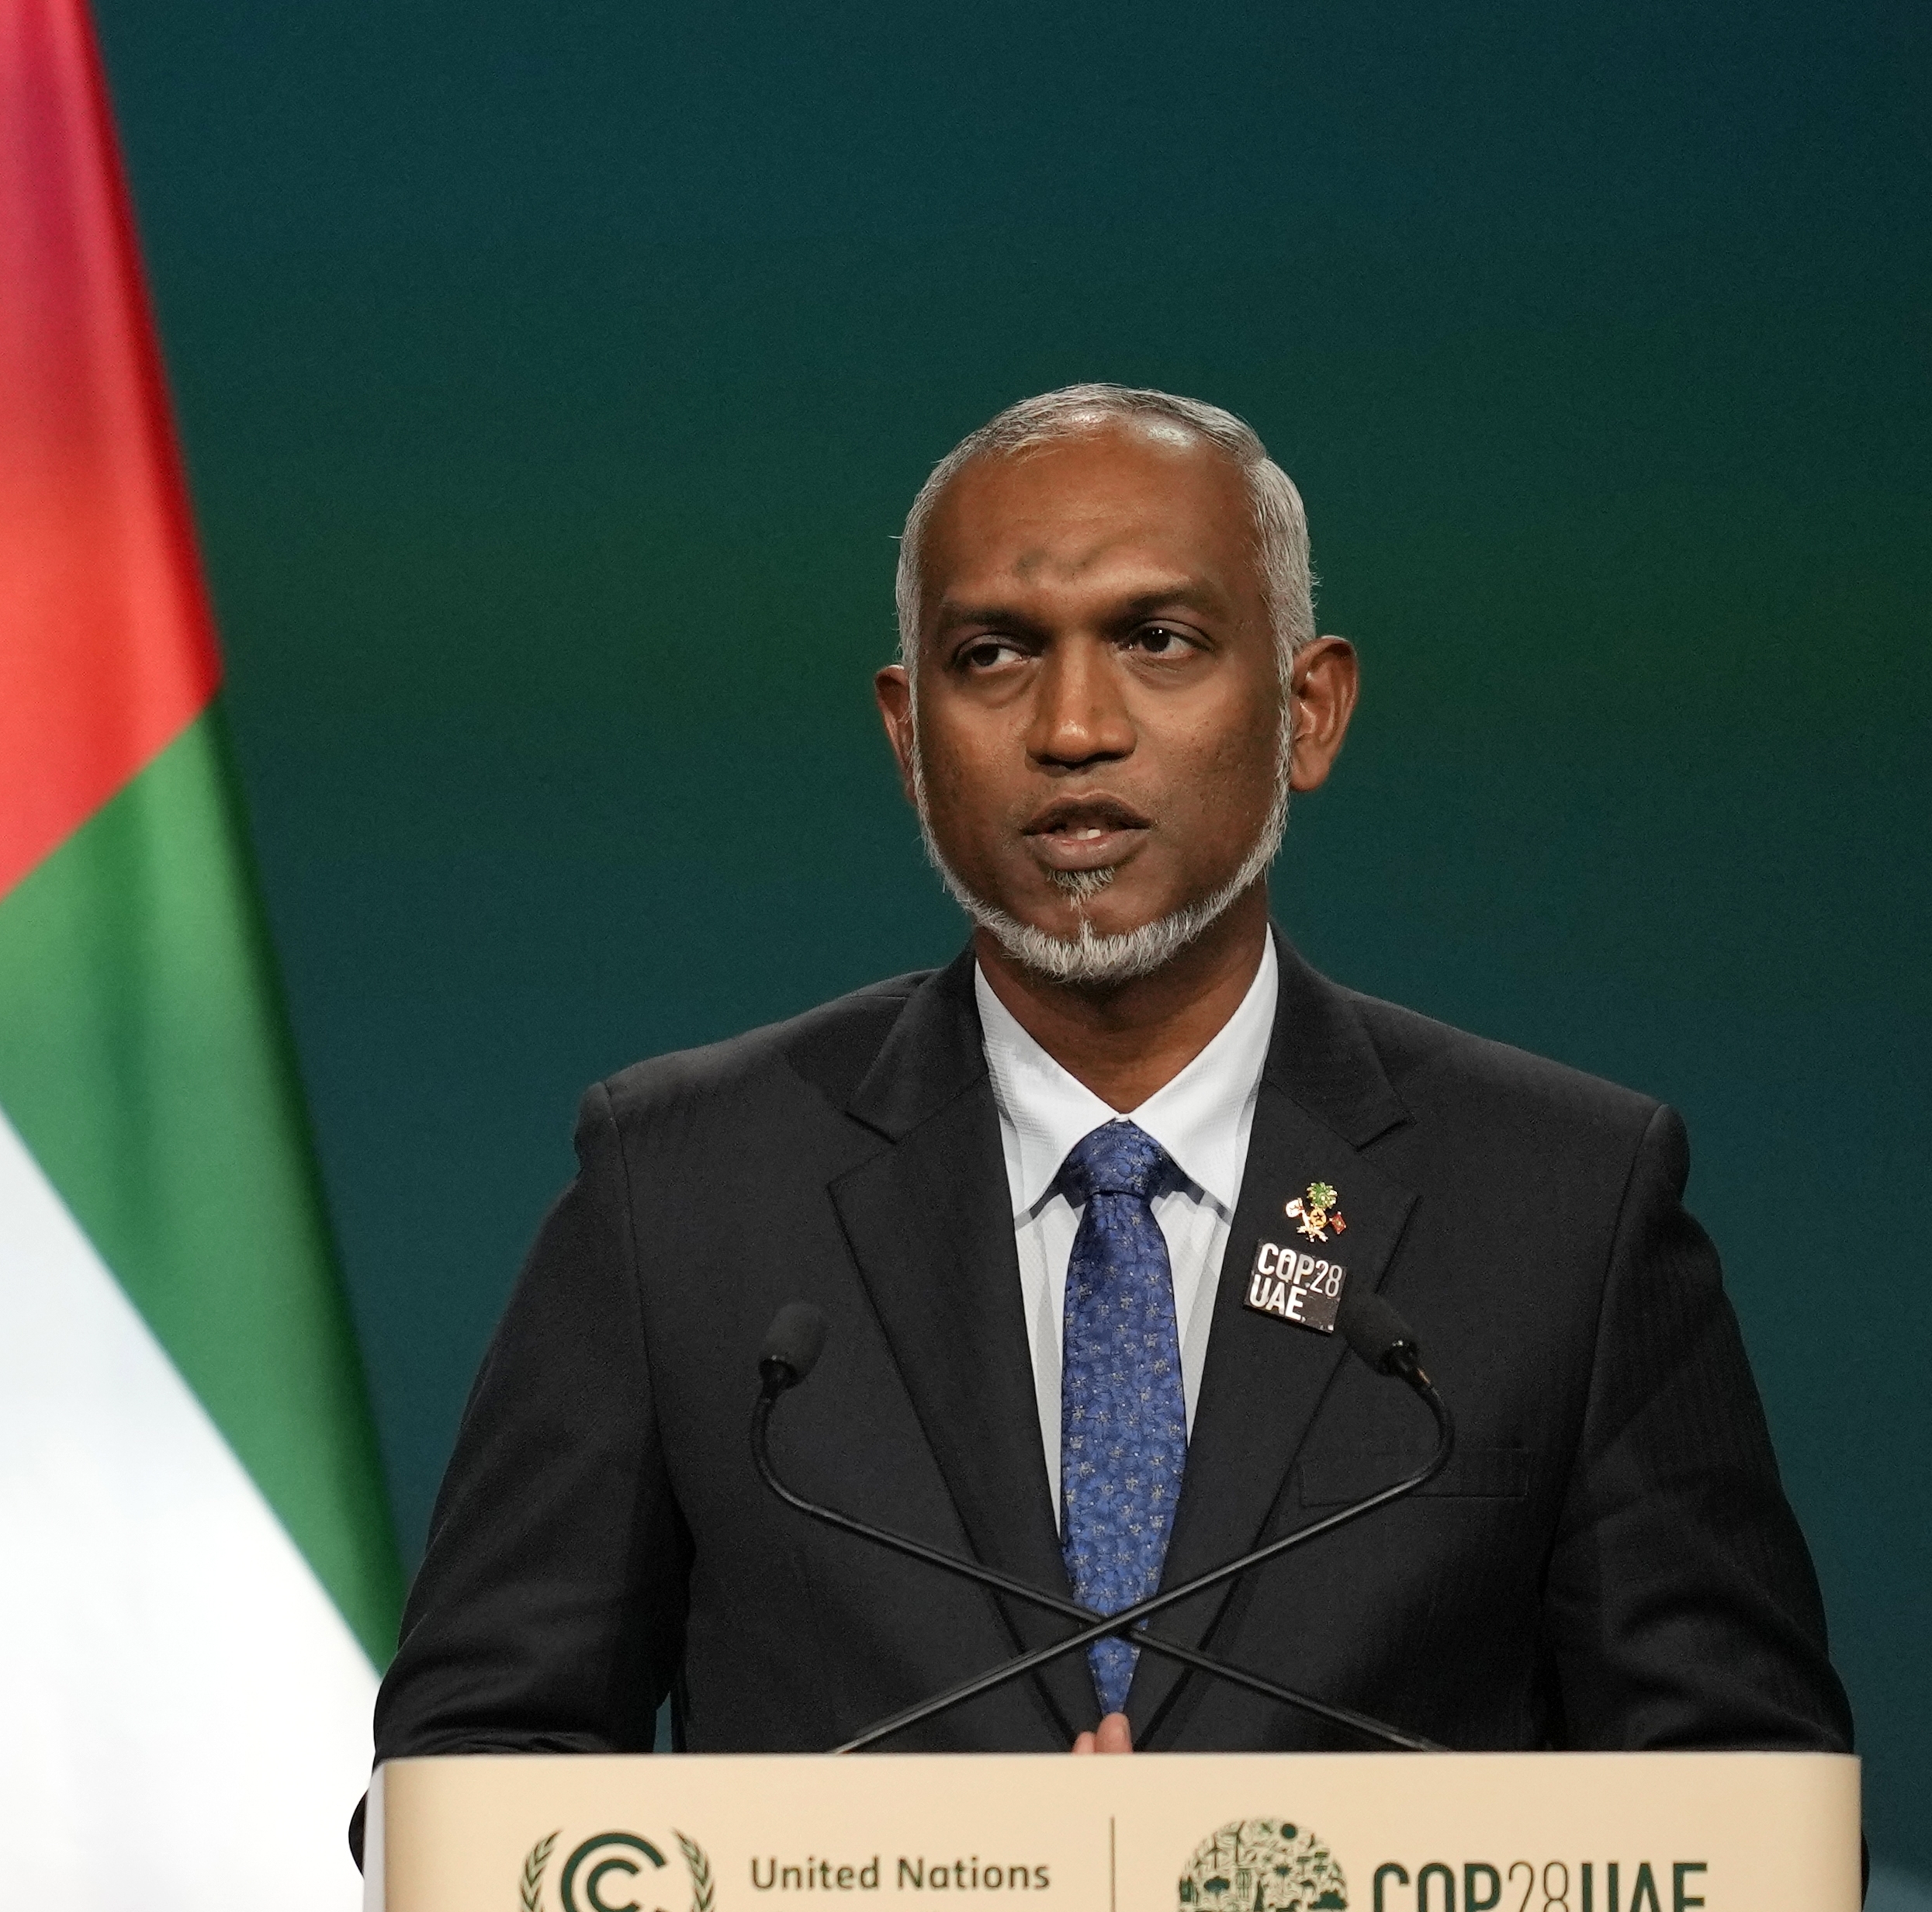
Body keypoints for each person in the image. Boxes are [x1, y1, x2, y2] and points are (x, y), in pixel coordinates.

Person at [370, 384, 1851, 1779]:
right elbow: (475, 1774)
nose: (1073, 728)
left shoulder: (1563, 1208)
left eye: (1157, 638)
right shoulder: (684, 1192)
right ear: (906, 734)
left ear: (1307, 709)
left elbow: (1742, 1816)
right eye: (991, 655)